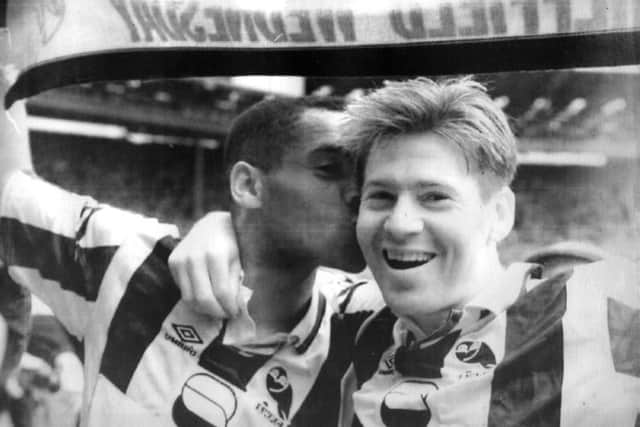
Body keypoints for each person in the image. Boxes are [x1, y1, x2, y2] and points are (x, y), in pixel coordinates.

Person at [171, 77, 639, 427]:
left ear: (498, 214)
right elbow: (277, 277)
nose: (400, 223)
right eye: (380, 197)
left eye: (435, 196)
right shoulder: (353, 329)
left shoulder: (592, 310)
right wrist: (222, 228)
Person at [0, 70, 384, 426]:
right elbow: (8, 191)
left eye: (366, 177)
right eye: (329, 169)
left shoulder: (366, 331)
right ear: (249, 186)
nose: (358, 193)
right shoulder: (127, 261)